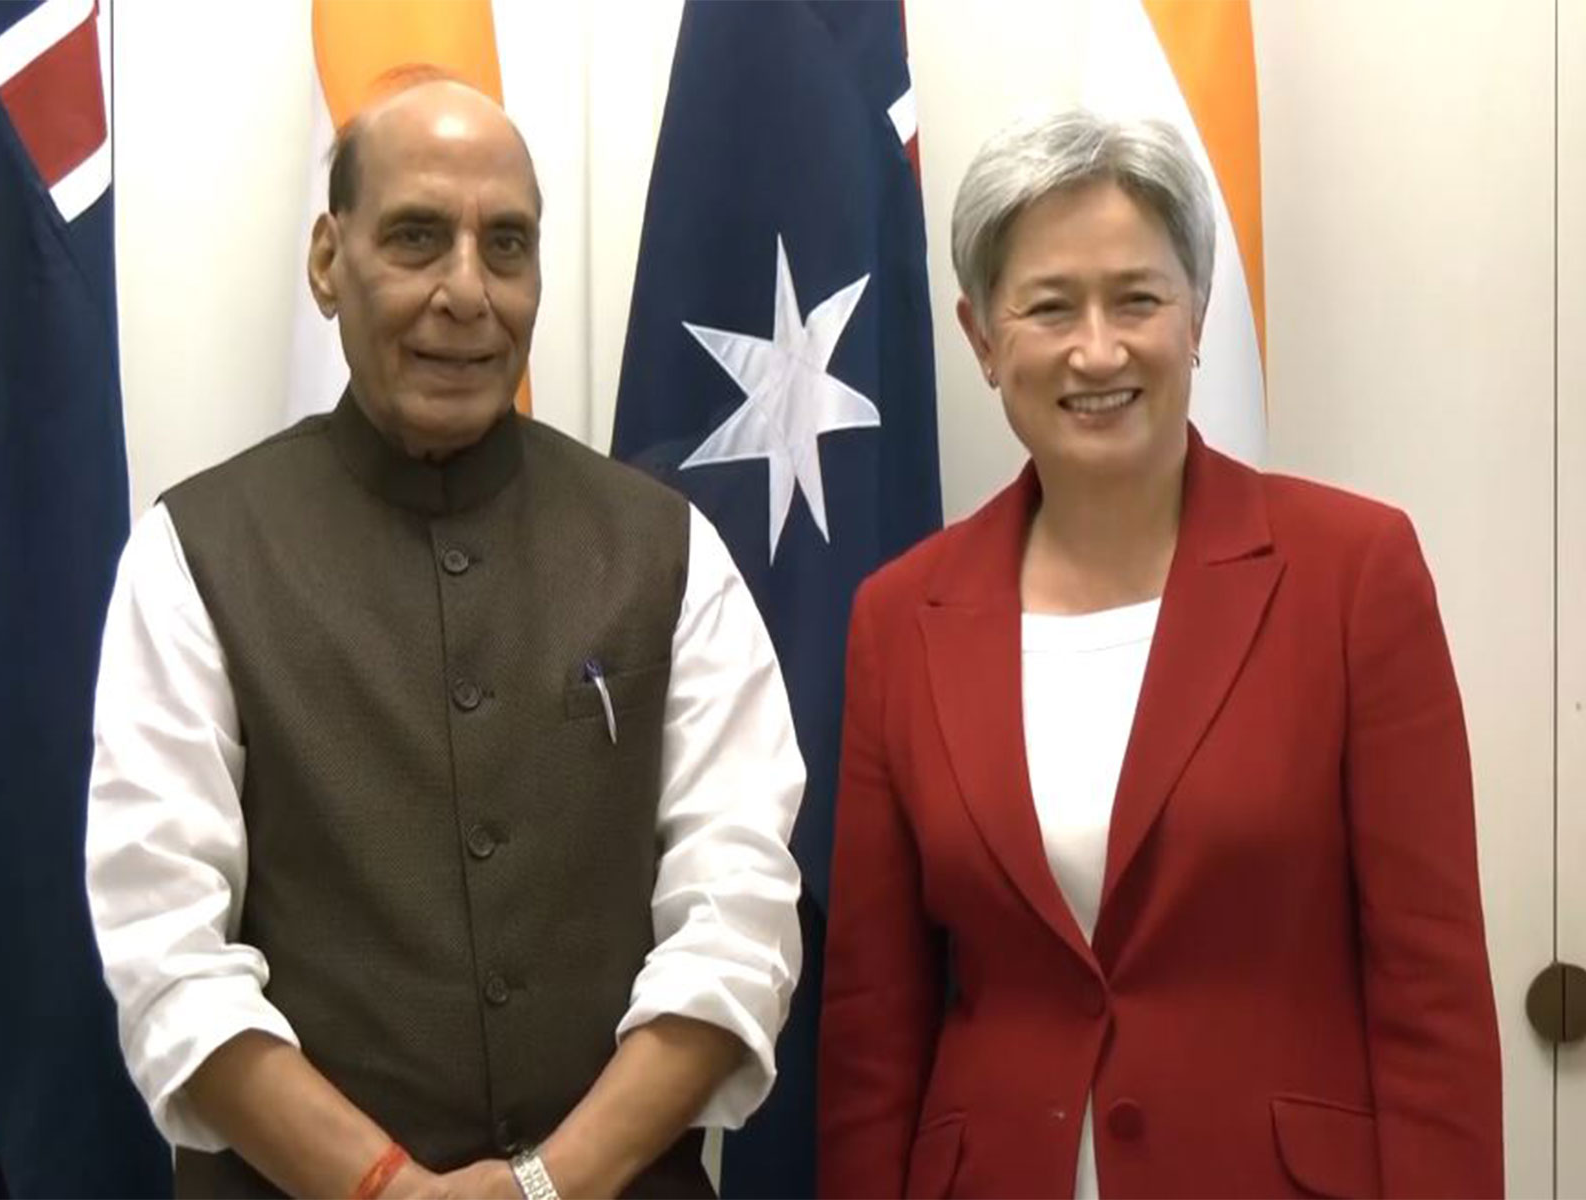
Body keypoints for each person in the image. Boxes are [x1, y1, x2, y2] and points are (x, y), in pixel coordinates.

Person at [85, 71, 805, 1200]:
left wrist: (546, 1185)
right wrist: (389, 1190)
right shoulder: (192, 556)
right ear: (329, 260)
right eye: (418, 238)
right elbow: (166, 958)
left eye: (506, 245)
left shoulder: (667, 550)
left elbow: (740, 921)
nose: (466, 292)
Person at [817, 109, 1503, 1199]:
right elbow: (871, 1022)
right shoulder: (898, 618)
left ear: (1196, 314)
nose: (1098, 349)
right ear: (981, 338)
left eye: (1136, 297)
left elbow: (1431, 995)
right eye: (1049, 307)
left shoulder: (1352, 572)